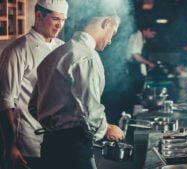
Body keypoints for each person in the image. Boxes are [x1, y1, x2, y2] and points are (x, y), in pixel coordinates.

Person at [28, 15, 124, 169]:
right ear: (107, 23)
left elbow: (33, 106)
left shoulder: (53, 56)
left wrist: (58, 123)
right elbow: (91, 113)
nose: (111, 40)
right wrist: (106, 129)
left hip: (49, 148)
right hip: (74, 151)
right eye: (113, 33)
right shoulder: (87, 57)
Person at [0, 0, 68, 169]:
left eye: (63, 20)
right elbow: (6, 100)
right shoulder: (17, 50)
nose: (60, 25)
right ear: (39, 15)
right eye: (55, 19)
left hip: (57, 137)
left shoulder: (62, 48)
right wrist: (11, 144)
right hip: (28, 140)